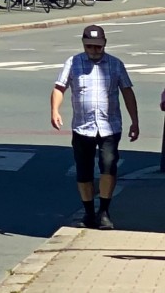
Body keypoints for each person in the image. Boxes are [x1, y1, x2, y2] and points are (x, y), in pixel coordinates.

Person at [52, 23, 138, 229]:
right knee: (84, 171)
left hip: (110, 126)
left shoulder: (115, 64)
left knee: (108, 167)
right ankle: (89, 213)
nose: (94, 50)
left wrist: (135, 121)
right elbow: (59, 88)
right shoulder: (73, 62)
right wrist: (55, 110)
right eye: (89, 46)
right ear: (83, 44)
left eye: (98, 46)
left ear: (104, 44)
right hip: (83, 127)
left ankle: (104, 212)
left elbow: (127, 91)